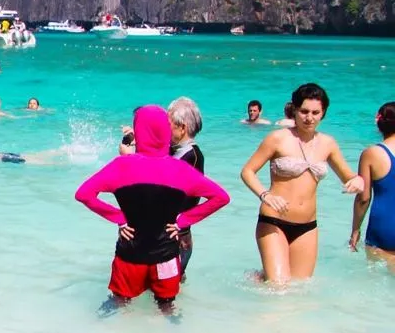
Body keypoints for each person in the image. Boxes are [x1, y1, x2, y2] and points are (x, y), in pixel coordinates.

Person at [75, 105, 229, 313]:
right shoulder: (182, 170)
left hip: (129, 257)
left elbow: (83, 194)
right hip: (166, 257)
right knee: (167, 309)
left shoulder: (121, 165)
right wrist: (183, 221)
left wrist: (119, 218)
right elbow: (221, 198)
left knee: (118, 306)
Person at [240, 83, 364, 282]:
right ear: (295, 110)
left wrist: (358, 181)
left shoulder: (328, 144)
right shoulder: (278, 138)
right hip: (273, 221)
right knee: (278, 287)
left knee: (299, 288)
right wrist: (265, 195)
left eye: (316, 112)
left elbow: (349, 177)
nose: (309, 118)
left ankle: (259, 278)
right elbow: (247, 171)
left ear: (323, 113)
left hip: (307, 226)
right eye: (304, 111)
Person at [349, 101, 395, 263]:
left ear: (379, 123)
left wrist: (355, 230)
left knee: (378, 275)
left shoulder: (372, 153)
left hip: (385, 227)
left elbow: (363, 198)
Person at [167, 97, 205, 274]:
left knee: (172, 282)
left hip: (178, 233)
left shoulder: (193, 156)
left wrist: (181, 224)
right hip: (169, 231)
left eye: (168, 125)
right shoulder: (173, 150)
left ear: (182, 128)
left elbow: (192, 197)